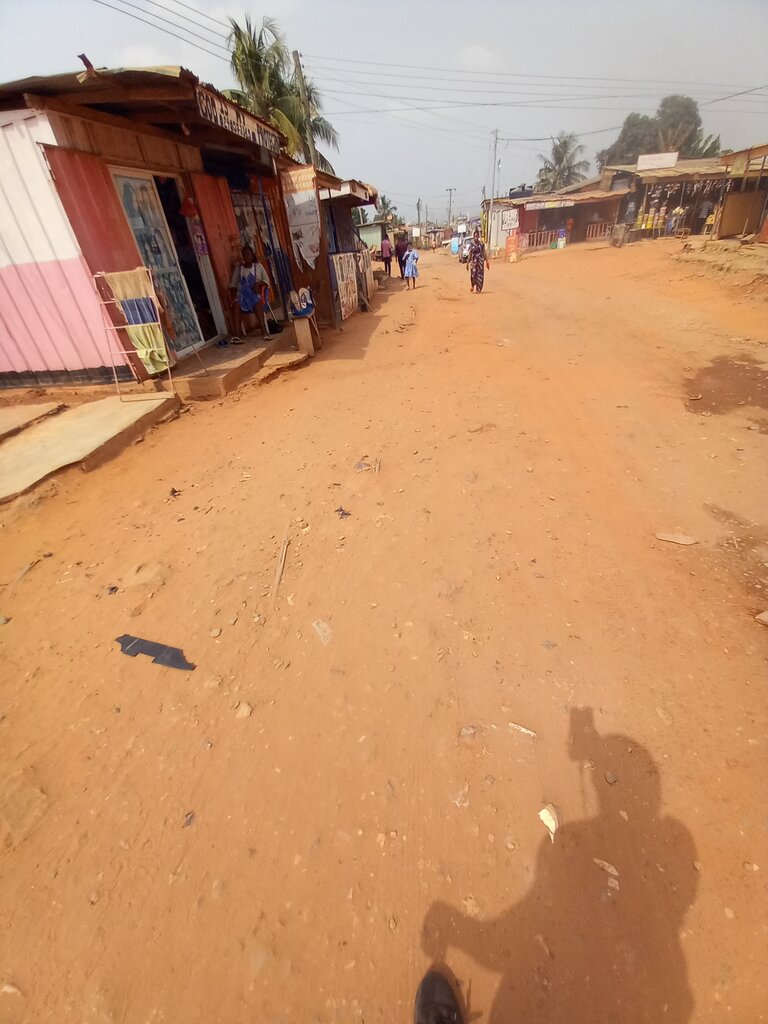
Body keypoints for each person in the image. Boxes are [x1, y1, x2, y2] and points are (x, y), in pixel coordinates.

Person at [229, 244, 270, 341]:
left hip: (255, 295)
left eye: (248, 254)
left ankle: (264, 331)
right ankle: (237, 335)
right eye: (244, 254)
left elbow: (267, 281)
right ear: (242, 256)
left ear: (252, 255)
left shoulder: (258, 266)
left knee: (257, 302)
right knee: (236, 305)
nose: (247, 256)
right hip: (242, 296)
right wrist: (235, 295)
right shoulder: (238, 269)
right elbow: (233, 284)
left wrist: (259, 283)